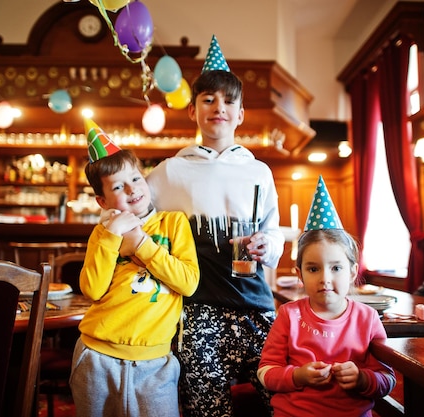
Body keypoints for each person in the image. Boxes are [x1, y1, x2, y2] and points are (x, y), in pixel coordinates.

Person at [146, 35, 285, 417]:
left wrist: (266, 246)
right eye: (208, 99)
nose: (218, 107)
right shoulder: (169, 171)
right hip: (196, 309)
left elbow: (275, 233)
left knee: (284, 400)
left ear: (240, 114)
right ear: (192, 111)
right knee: (207, 408)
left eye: (228, 101)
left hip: (256, 304)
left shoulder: (259, 172)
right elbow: (138, 213)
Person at [69, 119, 200, 417]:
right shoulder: (103, 234)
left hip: (155, 362)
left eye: (136, 179)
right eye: (118, 186)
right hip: (97, 356)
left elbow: (188, 282)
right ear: (102, 200)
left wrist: (141, 243)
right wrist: (112, 235)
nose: (132, 189)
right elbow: (92, 289)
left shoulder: (173, 223)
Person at [257, 176, 396, 417]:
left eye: (336, 268)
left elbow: (388, 379)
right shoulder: (289, 315)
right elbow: (266, 372)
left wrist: (362, 379)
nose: (325, 278)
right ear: (300, 274)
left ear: (353, 272)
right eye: (313, 269)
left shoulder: (368, 318)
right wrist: (297, 375)